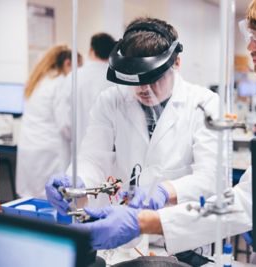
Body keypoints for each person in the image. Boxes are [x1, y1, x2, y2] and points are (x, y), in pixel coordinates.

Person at [63, 1, 256, 265]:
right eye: (250, 34)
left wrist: (145, 217)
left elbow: (252, 198)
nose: (250, 46)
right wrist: (75, 181)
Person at [45, 16, 219, 253]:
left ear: (176, 63)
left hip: (181, 241)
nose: (143, 89)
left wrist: (164, 191)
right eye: (136, 79)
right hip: (125, 239)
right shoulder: (111, 100)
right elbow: (93, 157)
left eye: (153, 78)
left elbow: (213, 178)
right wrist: (77, 182)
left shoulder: (205, 104)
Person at [16, 45, 82, 198]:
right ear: (67, 63)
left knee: (30, 201)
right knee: (51, 201)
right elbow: (65, 125)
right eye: (78, 67)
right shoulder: (60, 83)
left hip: (29, 148)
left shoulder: (39, 80)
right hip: (49, 152)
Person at [57, 33, 116, 146]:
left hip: (80, 149)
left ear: (91, 51)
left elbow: (64, 123)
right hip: (110, 150)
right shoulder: (117, 80)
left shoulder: (74, 77)